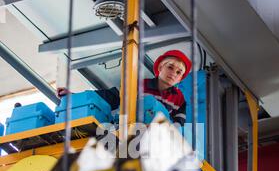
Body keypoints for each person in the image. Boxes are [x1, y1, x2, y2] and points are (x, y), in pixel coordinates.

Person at [57, 49, 191, 127]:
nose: (173, 73)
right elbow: (110, 96)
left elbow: (178, 126)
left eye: (179, 72)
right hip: (129, 130)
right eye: (170, 67)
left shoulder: (179, 100)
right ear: (160, 68)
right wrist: (75, 96)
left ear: (180, 78)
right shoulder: (138, 85)